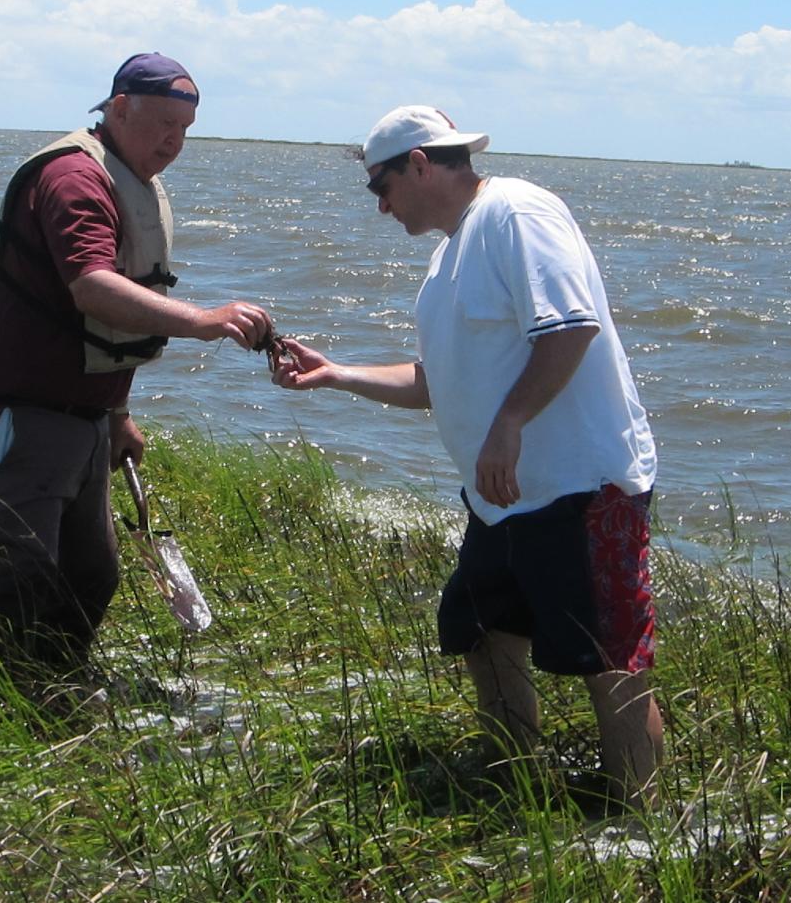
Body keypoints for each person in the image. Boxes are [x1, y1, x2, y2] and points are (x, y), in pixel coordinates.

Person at [272, 105, 663, 807]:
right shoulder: (447, 256)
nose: (380, 205)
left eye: (381, 187)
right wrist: (335, 374)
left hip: (581, 485)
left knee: (610, 659)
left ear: (420, 164)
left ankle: (640, 819)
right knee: (481, 628)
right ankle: (516, 781)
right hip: (503, 499)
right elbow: (435, 382)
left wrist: (509, 423)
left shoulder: (517, 213)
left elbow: (571, 329)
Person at [0, 52, 272, 699]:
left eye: (185, 130)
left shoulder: (130, 179)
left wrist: (118, 414)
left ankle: (55, 688)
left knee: (92, 575)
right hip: (25, 408)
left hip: (87, 417)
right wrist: (205, 321)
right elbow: (92, 287)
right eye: (163, 124)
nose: (174, 143)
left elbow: (110, 333)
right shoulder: (74, 178)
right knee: (23, 568)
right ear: (119, 109)